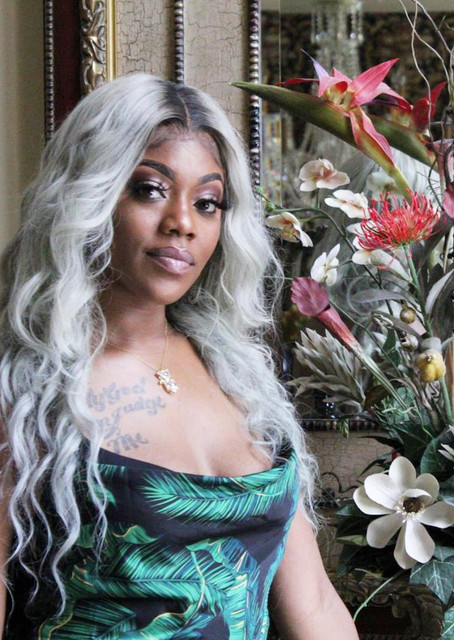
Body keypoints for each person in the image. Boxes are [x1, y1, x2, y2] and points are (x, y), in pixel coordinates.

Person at [0, 73, 359, 639]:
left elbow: (312, 605)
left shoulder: (242, 378)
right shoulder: (24, 389)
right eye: (149, 190)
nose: (183, 224)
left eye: (207, 202)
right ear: (89, 194)